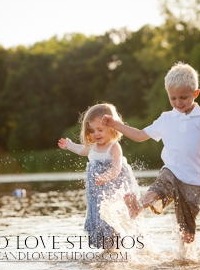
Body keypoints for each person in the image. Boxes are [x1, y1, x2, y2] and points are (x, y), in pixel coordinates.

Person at [102, 62, 200, 245]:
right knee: (159, 186)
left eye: (183, 97)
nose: (178, 103)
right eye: (173, 98)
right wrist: (115, 124)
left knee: (187, 229)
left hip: (194, 180)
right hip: (171, 170)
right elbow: (140, 135)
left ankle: (186, 258)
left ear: (195, 93)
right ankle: (137, 207)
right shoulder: (166, 119)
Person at [58, 102, 139, 249]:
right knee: (99, 216)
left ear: (111, 127)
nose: (96, 134)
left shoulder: (113, 147)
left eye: (100, 130)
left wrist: (106, 177)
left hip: (113, 189)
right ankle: (109, 249)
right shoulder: (93, 148)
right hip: (97, 193)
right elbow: (81, 149)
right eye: (92, 131)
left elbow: (117, 167)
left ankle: (119, 246)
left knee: (113, 216)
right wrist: (69, 145)